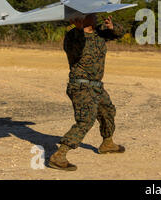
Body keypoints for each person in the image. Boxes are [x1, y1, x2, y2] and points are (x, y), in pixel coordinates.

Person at [49, 13, 125, 171]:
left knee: (108, 111)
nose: (95, 16)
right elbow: (72, 49)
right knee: (86, 120)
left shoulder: (99, 33)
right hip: (81, 86)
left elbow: (118, 33)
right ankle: (59, 155)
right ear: (81, 17)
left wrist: (113, 27)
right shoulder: (72, 35)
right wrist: (77, 30)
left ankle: (107, 143)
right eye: (91, 14)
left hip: (96, 85)